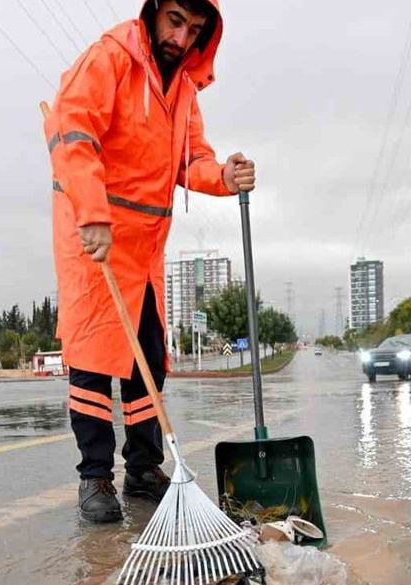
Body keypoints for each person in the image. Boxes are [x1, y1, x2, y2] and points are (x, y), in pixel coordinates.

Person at [43, 0, 256, 523]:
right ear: (154, 11)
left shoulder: (182, 87)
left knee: (148, 360)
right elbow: (72, 135)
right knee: (94, 363)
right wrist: (92, 214)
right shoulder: (110, 58)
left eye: (195, 31)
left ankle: (143, 469)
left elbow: (193, 158)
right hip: (94, 236)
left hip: (145, 248)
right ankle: (94, 479)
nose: (182, 39)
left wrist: (224, 177)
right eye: (176, 22)